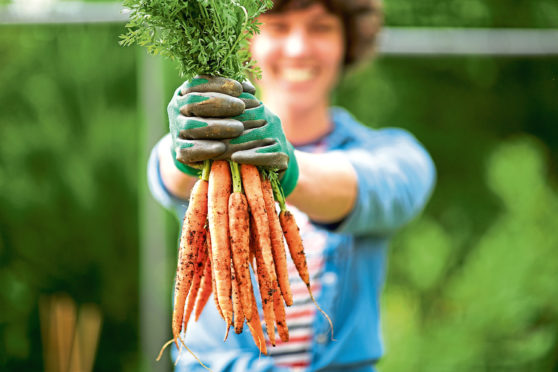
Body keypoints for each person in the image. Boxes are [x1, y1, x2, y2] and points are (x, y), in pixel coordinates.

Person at [147, 0, 436, 370]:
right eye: (278, 26)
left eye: (321, 28)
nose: (299, 48)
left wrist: (290, 168)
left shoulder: (394, 154)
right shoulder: (208, 156)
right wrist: (186, 143)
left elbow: (376, 188)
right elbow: (166, 174)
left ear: (349, 40)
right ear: (244, 41)